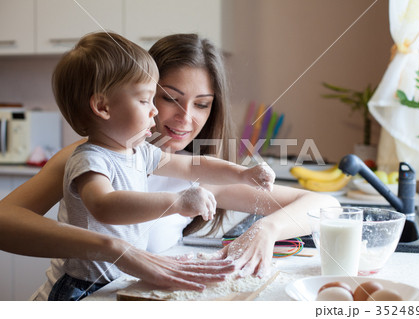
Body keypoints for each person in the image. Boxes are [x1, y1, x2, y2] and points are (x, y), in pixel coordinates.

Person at [0, 33, 339, 301]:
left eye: (202, 104)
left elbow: (327, 205)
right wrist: (114, 249)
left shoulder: (181, 169)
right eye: (167, 98)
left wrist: (266, 230)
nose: (186, 118)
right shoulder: (93, 155)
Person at [45, 32, 276, 300]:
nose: (153, 110)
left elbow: (193, 166)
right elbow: (104, 206)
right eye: (145, 100)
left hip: (118, 278)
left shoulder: (139, 152)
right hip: (83, 287)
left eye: (201, 104)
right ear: (102, 106)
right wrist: (176, 202)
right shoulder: (89, 158)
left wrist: (243, 173)